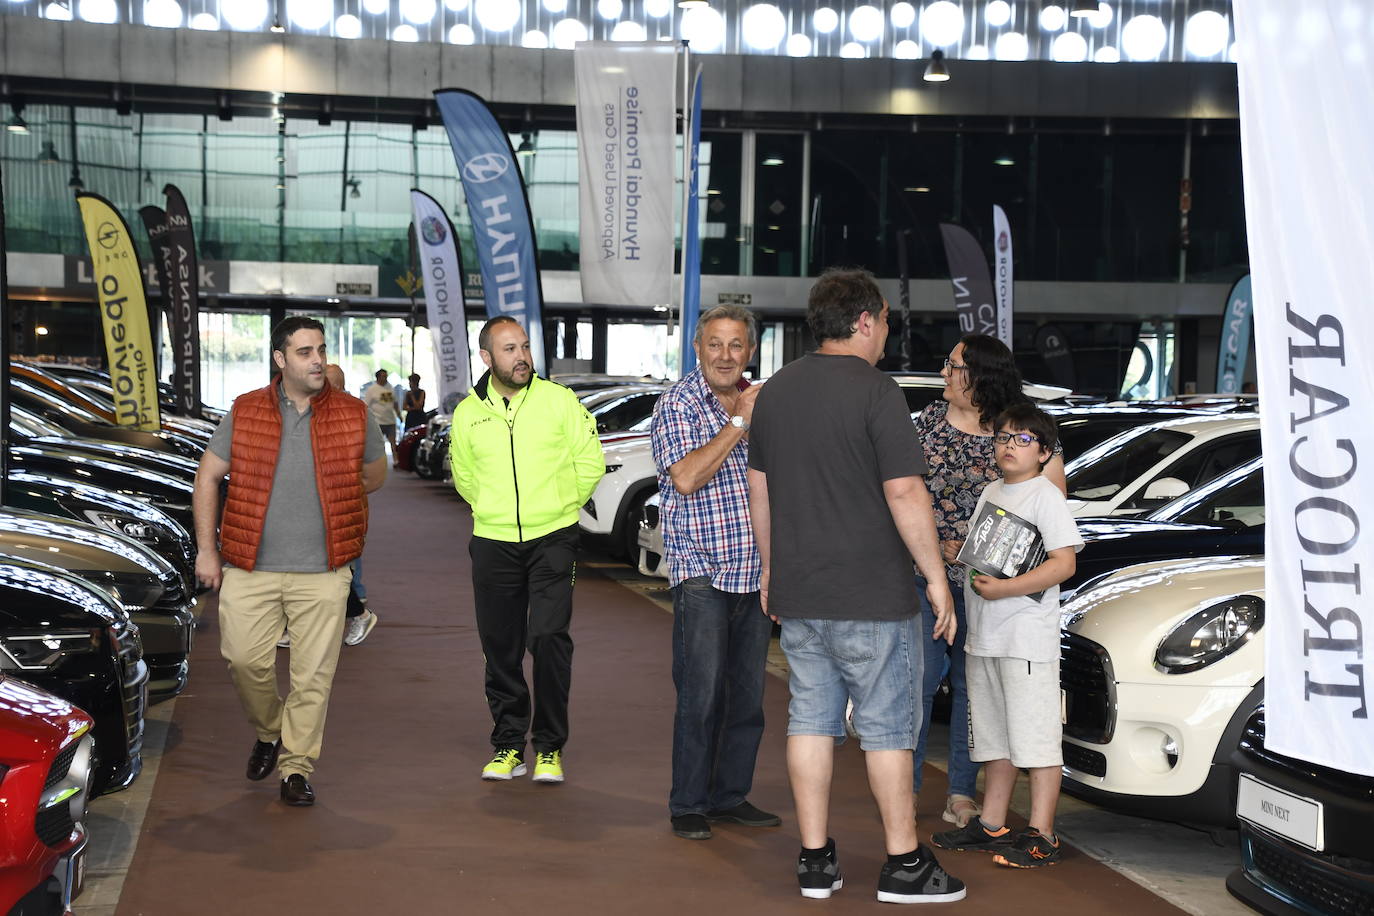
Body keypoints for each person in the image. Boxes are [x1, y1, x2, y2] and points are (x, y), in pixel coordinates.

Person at [747, 268, 966, 904]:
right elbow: (904, 490)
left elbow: (759, 487)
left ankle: (815, 860)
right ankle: (904, 866)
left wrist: (769, 568)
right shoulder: (878, 392)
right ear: (865, 320)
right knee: (888, 729)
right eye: (886, 323)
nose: (886, 335)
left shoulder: (776, 391)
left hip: (801, 590)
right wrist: (935, 578)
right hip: (872, 593)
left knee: (810, 720)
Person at [192, 316, 387, 808]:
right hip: (248, 566)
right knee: (242, 659)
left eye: (320, 348)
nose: (317, 359)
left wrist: (339, 500)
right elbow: (207, 478)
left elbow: (375, 474)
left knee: (312, 678)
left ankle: (296, 767)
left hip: (324, 571)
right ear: (280, 360)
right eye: (304, 351)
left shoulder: (352, 413)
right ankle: (269, 730)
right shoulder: (246, 410)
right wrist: (207, 551)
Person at [911, 334, 1066, 829]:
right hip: (927, 576)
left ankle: (962, 794)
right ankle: (904, 788)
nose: (944, 374)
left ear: (978, 373)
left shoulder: (1021, 428)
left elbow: (1047, 517)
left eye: (952, 365)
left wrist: (991, 571)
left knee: (973, 695)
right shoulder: (930, 422)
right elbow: (901, 493)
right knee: (917, 683)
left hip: (992, 592)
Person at [449, 316, 604, 785]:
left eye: (524, 347)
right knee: (501, 646)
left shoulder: (559, 401)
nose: (521, 357)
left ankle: (550, 747)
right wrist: (493, 510)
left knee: (550, 638)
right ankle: (509, 744)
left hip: (553, 538)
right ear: (487, 358)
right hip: (494, 540)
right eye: (509, 349)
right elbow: (466, 477)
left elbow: (589, 461)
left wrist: (560, 506)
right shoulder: (468, 412)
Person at [932, 403, 1082, 868]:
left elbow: (1064, 563)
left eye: (1021, 439)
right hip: (987, 635)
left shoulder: (1045, 497)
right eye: (1002, 437)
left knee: (1035, 739)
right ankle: (993, 822)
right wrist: (963, 554)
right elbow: (993, 555)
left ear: (1044, 451)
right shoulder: (993, 490)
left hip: (1025, 639)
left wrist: (1006, 590)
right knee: (994, 736)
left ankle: (1043, 833)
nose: (1009, 446)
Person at [650, 305, 778, 842]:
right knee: (700, 694)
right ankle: (689, 803)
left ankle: (729, 796)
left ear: (750, 351)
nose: (725, 356)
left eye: (736, 345)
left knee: (748, 698)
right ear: (698, 348)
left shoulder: (767, 402)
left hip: (756, 572)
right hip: (701, 571)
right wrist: (739, 423)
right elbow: (685, 477)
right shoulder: (676, 403)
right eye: (715, 344)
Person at [327, 364, 380, 647]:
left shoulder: (355, 414)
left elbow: (373, 471)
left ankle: (358, 610)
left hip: (344, 504)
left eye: (328, 383)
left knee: (341, 564)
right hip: (318, 504)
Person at [363, 369, 401, 453]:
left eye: (386, 376)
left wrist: (399, 415)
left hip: (390, 421)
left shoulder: (390, 387)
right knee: (377, 444)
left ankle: (395, 460)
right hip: (378, 422)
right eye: (383, 376)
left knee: (393, 443)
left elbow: (395, 403)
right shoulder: (372, 389)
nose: (385, 378)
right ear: (378, 378)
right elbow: (366, 406)